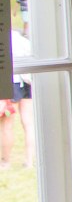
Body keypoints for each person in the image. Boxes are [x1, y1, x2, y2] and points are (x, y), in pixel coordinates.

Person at [0, 32, 34, 169]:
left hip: (12, 82)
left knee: (6, 124)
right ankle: (29, 161)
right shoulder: (18, 37)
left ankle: (6, 162)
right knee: (28, 123)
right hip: (27, 80)